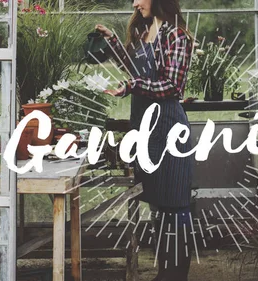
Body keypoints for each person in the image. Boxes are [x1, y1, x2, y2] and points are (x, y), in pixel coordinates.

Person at [95, 0, 195, 280]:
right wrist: (113, 42)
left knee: (175, 204)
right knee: (159, 205)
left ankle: (175, 276)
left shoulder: (176, 35)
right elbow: (134, 70)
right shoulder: (145, 32)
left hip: (169, 130)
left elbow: (172, 86)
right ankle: (165, 273)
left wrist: (132, 86)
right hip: (147, 131)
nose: (136, 3)